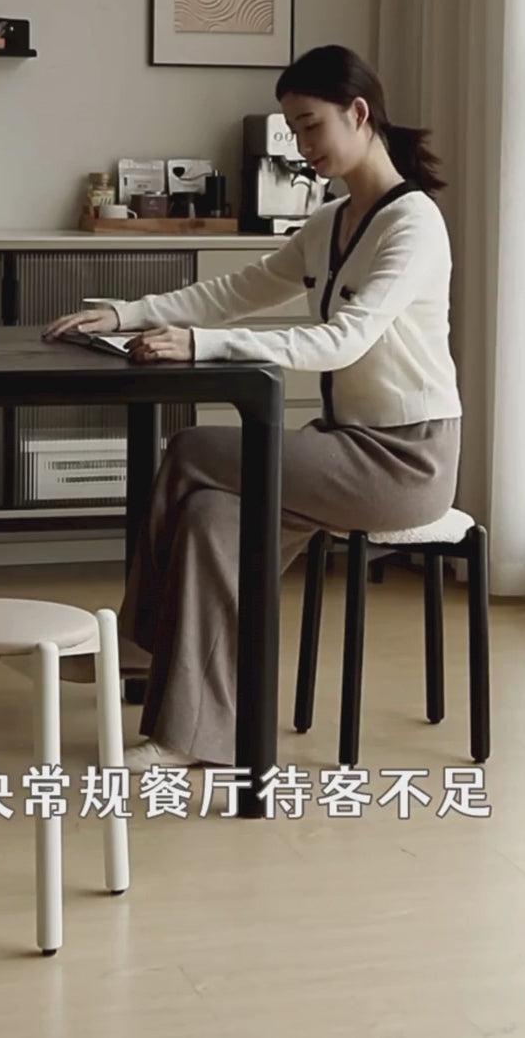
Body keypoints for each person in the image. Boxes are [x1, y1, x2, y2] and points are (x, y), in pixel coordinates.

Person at [43, 44, 462, 774]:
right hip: (342, 446)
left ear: (359, 114)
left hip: (405, 458)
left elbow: (343, 340)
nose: (301, 146)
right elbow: (235, 291)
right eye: (293, 130)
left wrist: (201, 346)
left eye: (310, 125)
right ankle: (190, 737)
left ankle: (134, 649)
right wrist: (126, 313)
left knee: (191, 449)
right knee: (212, 517)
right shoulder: (333, 220)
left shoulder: (413, 223)